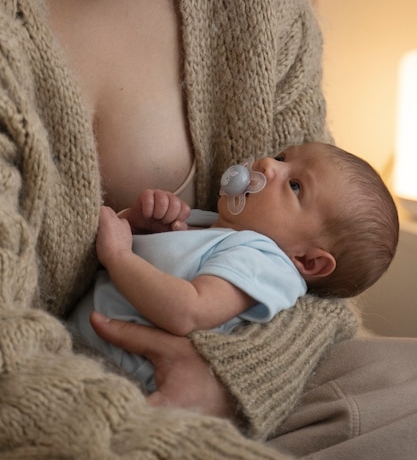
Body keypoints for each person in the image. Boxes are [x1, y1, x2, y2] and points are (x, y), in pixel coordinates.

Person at [2, 0, 417, 460]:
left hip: (212, 383)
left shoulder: (258, 3)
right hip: (45, 421)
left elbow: (326, 278)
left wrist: (232, 378)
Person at [68, 142, 399, 393]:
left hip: (122, 375)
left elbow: (188, 311)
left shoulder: (264, 262)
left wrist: (119, 255)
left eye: (295, 185)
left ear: (307, 260)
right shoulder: (217, 226)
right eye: (283, 158)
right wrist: (141, 226)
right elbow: (154, 263)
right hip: (84, 347)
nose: (268, 164)